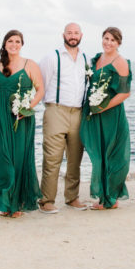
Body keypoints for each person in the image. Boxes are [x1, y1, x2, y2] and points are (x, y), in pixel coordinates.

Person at [0, 30, 44, 217]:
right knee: (0, 157)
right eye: (10, 41)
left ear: (22, 44)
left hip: (21, 118)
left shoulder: (30, 65)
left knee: (18, 158)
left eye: (17, 41)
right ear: (5, 43)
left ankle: (16, 203)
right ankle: (4, 201)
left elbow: (40, 90)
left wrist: (27, 108)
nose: (14, 44)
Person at [37, 23, 90, 214]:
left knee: (75, 158)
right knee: (52, 157)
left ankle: (72, 197)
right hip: (56, 111)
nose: (73, 36)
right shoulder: (52, 58)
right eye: (70, 33)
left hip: (78, 113)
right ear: (64, 35)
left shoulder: (86, 59)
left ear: (81, 35)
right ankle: (47, 200)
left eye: (76, 33)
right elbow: (41, 85)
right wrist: (50, 106)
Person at [80, 26, 132, 210]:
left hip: (111, 114)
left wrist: (104, 107)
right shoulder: (96, 59)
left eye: (113, 40)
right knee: (97, 154)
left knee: (112, 154)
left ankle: (110, 198)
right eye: (106, 38)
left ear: (118, 43)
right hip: (93, 113)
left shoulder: (121, 62)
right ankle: (104, 195)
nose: (108, 43)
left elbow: (125, 92)